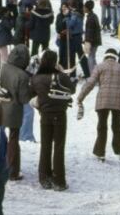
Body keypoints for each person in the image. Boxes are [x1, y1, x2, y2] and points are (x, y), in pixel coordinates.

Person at [77, 48, 120, 163]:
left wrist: (80, 97)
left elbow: (90, 83)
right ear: (115, 57)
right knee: (116, 125)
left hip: (103, 100)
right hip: (118, 100)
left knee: (102, 126)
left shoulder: (99, 67)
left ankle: (100, 152)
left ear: (105, 56)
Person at [30, 49, 75, 190]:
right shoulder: (60, 76)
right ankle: (59, 181)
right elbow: (72, 89)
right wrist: (61, 71)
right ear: (55, 62)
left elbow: (31, 94)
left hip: (44, 114)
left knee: (45, 146)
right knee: (59, 147)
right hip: (60, 114)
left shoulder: (36, 78)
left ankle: (44, 177)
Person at [0, 44, 32, 181]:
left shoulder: (0, 67)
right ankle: (12, 171)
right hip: (13, 110)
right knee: (13, 140)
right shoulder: (23, 76)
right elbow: (24, 99)